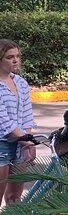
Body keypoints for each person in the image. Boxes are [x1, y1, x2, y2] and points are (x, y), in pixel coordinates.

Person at [0, 39, 36, 205]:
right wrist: (26, 141)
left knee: (14, 198)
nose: (15, 60)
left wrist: (28, 141)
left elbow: (26, 115)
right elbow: (4, 121)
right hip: (2, 145)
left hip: (20, 144)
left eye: (17, 56)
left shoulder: (21, 82)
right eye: (9, 57)